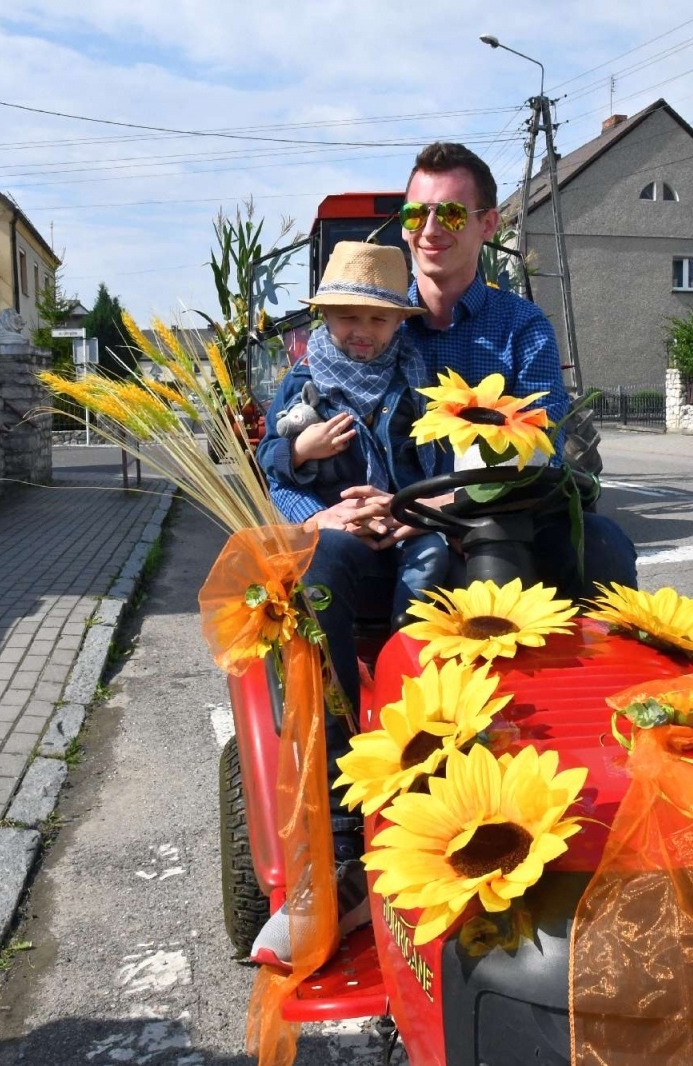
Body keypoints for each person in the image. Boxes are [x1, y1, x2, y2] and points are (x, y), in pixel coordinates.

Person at [247, 243, 449, 969]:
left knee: (432, 573)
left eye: (373, 318)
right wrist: (305, 467)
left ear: (397, 324)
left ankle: (421, 736)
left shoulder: (422, 379)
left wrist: (409, 511)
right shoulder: (303, 382)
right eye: (346, 317)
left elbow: (445, 463)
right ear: (325, 319)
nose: (359, 331)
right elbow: (269, 458)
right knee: (318, 571)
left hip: (406, 532)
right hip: (337, 539)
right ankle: (339, 823)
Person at [344, 140, 640, 600]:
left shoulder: (523, 328)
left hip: (504, 521)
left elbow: (542, 449)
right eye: (415, 214)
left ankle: (602, 668)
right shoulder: (370, 327)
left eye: (452, 215)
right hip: (389, 526)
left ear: (487, 224)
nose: (430, 229)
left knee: (603, 545)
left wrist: (425, 510)